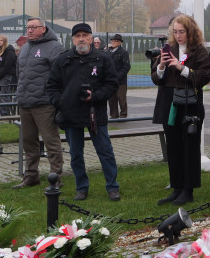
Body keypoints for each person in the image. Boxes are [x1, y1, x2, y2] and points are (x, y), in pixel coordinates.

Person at [47, 23, 120, 201]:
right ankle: (81, 187)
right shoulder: (63, 60)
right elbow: (51, 86)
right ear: (72, 39)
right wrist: (60, 103)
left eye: (85, 35)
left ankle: (112, 187)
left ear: (91, 38)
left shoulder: (102, 59)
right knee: (76, 154)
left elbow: (112, 84)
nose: (81, 39)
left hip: (96, 113)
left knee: (105, 151)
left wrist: (95, 96)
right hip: (71, 114)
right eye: (77, 35)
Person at [151, 14, 210, 207]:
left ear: (190, 31)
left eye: (181, 32)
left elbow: (204, 76)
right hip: (169, 102)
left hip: (189, 103)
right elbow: (156, 77)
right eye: (175, 32)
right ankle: (176, 187)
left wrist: (181, 68)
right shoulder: (168, 50)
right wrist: (161, 66)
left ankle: (188, 189)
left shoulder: (199, 51)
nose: (178, 36)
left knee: (189, 146)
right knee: (173, 146)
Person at [14, 18, 65, 189]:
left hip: (44, 103)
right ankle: (31, 175)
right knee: (29, 141)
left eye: (33, 27)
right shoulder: (25, 47)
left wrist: (54, 98)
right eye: (28, 27)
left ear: (43, 29)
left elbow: (60, 75)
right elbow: (19, 73)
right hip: (25, 101)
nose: (29, 30)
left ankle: (56, 177)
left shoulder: (54, 47)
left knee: (51, 141)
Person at [0, 35, 18, 111]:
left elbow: (7, 66)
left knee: (4, 94)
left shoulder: (9, 51)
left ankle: (6, 112)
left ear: (5, 41)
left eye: (1, 40)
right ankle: (2, 111)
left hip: (6, 76)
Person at [107, 34, 131, 119]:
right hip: (110, 81)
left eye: (115, 41)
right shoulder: (108, 52)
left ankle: (123, 114)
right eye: (112, 40)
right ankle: (114, 115)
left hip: (120, 81)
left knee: (121, 98)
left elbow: (126, 67)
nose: (113, 42)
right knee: (111, 99)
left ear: (119, 43)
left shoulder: (123, 53)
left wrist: (117, 76)